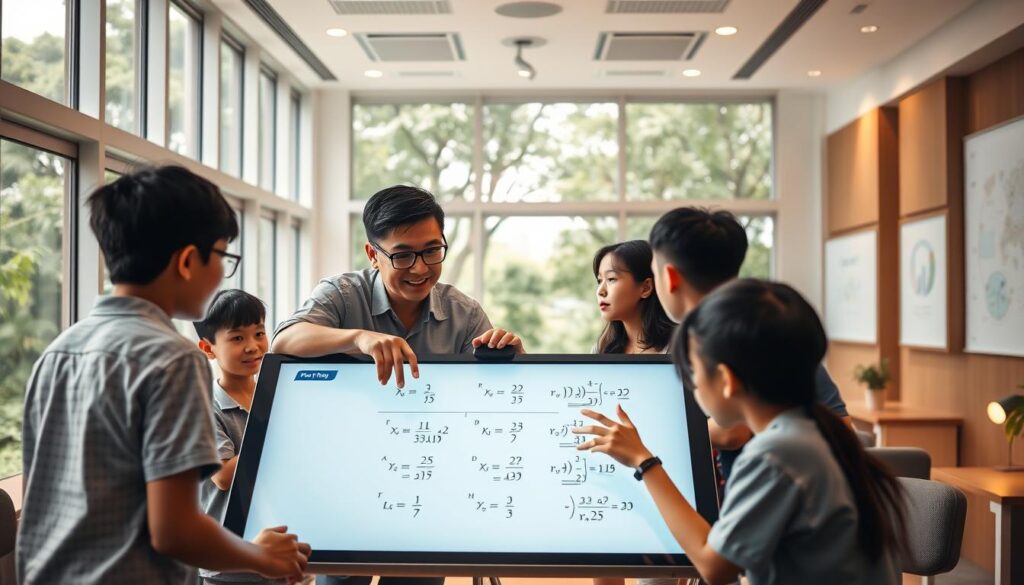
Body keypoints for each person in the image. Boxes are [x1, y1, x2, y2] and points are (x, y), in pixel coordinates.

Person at [18, 166, 309, 585]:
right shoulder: (172, 359)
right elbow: (175, 531)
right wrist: (261, 556)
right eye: (223, 257)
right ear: (189, 260)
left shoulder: (59, 352)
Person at [272, 184, 524, 585]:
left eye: (431, 250)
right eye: (402, 255)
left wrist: (509, 362)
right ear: (373, 254)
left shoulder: (464, 313)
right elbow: (284, 340)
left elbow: (492, 407)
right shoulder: (341, 294)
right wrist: (357, 338)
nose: (420, 268)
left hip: (428, 479)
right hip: (348, 481)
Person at [576, 279, 906, 585]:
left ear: (727, 379)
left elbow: (713, 565)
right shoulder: (814, 432)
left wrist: (643, 461)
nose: (691, 387)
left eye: (692, 373)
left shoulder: (778, 454)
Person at [193, 289, 282, 585]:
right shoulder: (207, 405)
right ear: (208, 348)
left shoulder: (274, 395)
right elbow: (223, 475)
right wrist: (280, 440)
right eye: (237, 338)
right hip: (227, 563)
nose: (253, 346)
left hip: (274, 551)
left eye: (259, 333)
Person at [593, 240, 674, 355]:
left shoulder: (680, 347)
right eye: (600, 281)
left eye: (611, 279)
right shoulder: (602, 348)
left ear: (646, 288)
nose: (600, 291)